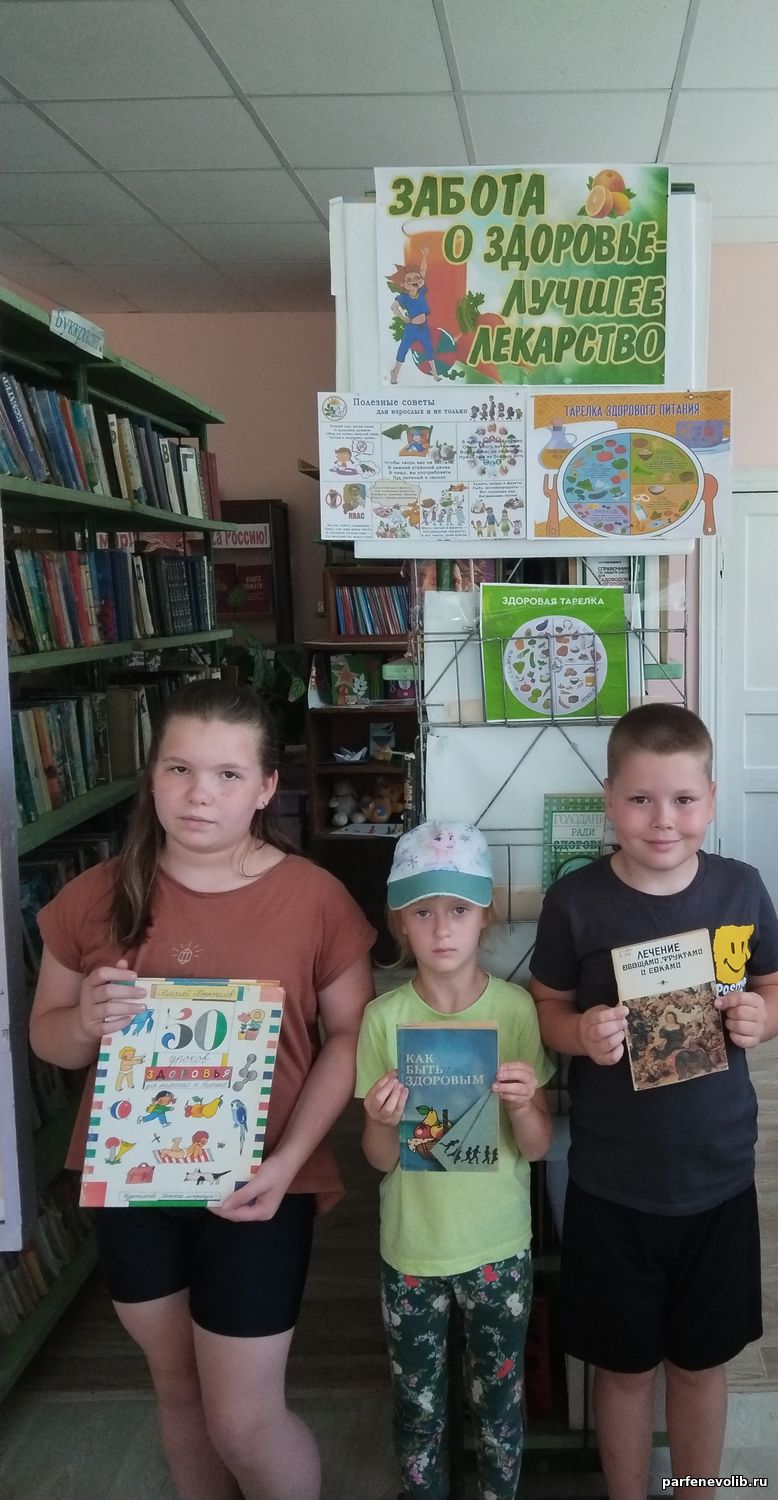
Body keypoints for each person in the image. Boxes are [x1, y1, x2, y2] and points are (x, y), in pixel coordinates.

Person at [29, 679, 375, 1500]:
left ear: (265, 788)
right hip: (134, 1181)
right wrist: (86, 1021)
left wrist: (290, 1162)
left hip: (261, 1183)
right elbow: (47, 1036)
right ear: (152, 776)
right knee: (179, 1393)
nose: (198, 794)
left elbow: (352, 1038)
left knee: (243, 1420)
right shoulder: (96, 895)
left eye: (227, 774)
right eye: (179, 769)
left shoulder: (314, 897)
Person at [529, 703, 778, 1500]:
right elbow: (546, 1006)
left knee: (702, 1366)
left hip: (718, 1175)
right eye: (640, 799)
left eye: (683, 799)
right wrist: (579, 1033)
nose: (663, 820)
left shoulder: (741, 888)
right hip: (612, 1182)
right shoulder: (576, 901)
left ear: (712, 799)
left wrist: (763, 1015)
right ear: (609, 800)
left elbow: (772, 984)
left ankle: (701, 1490)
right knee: (624, 1369)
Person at [356, 821, 553, 1500]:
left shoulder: (515, 1010)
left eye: (459, 910)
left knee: (500, 1406)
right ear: (400, 923)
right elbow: (379, 1159)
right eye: (422, 912)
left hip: (498, 1246)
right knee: (417, 1409)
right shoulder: (383, 1020)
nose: (442, 929)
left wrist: (524, 1105)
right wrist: (380, 1119)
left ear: (484, 915)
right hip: (412, 1249)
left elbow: (537, 1147)